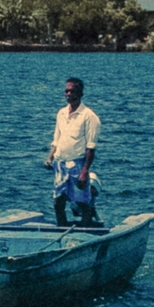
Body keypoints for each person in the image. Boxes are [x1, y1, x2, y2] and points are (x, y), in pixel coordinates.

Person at [46, 75, 101, 226]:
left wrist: (84, 171)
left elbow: (91, 147)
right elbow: (57, 139)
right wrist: (50, 158)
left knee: (82, 202)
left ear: (80, 93)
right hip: (60, 164)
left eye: (72, 91)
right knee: (58, 202)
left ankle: (86, 232)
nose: (69, 94)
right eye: (66, 91)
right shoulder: (61, 113)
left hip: (77, 164)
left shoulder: (89, 117)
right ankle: (62, 230)